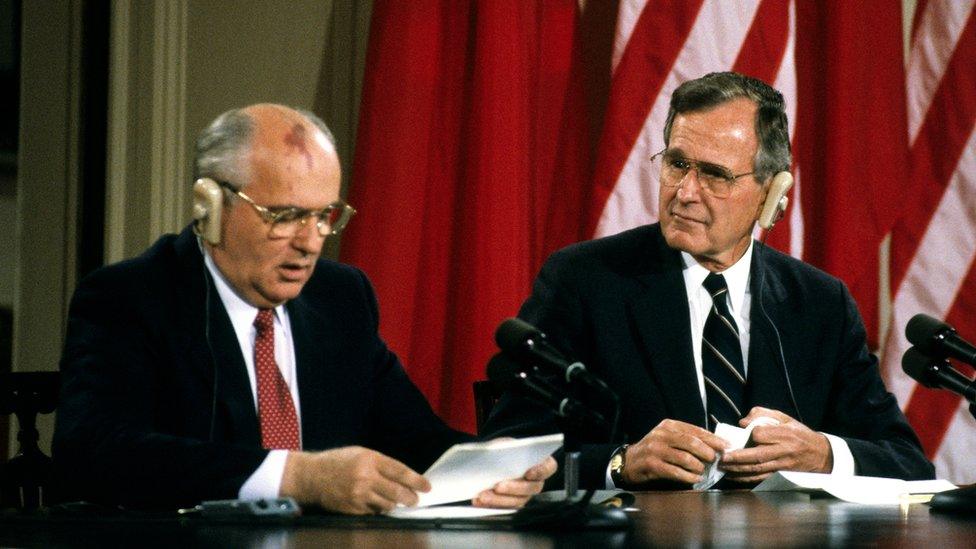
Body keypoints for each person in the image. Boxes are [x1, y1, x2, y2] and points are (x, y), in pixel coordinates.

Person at [53, 104, 555, 513]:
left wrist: (490, 471)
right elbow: (95, 451)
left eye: (324, 216)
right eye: (286, 216)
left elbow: (413, 436)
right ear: (210, 206)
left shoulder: (341, 298)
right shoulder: (131, 297)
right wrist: (297, 476)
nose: (310, 243)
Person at [482, 72, 933, 489]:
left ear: (771, 194)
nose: (685, 192)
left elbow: (908, 463)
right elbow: (506, 450)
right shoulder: (585, 282)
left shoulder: (818, 303)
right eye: (677, 164)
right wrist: (621, 462)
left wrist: (824, 455)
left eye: (714, 174)